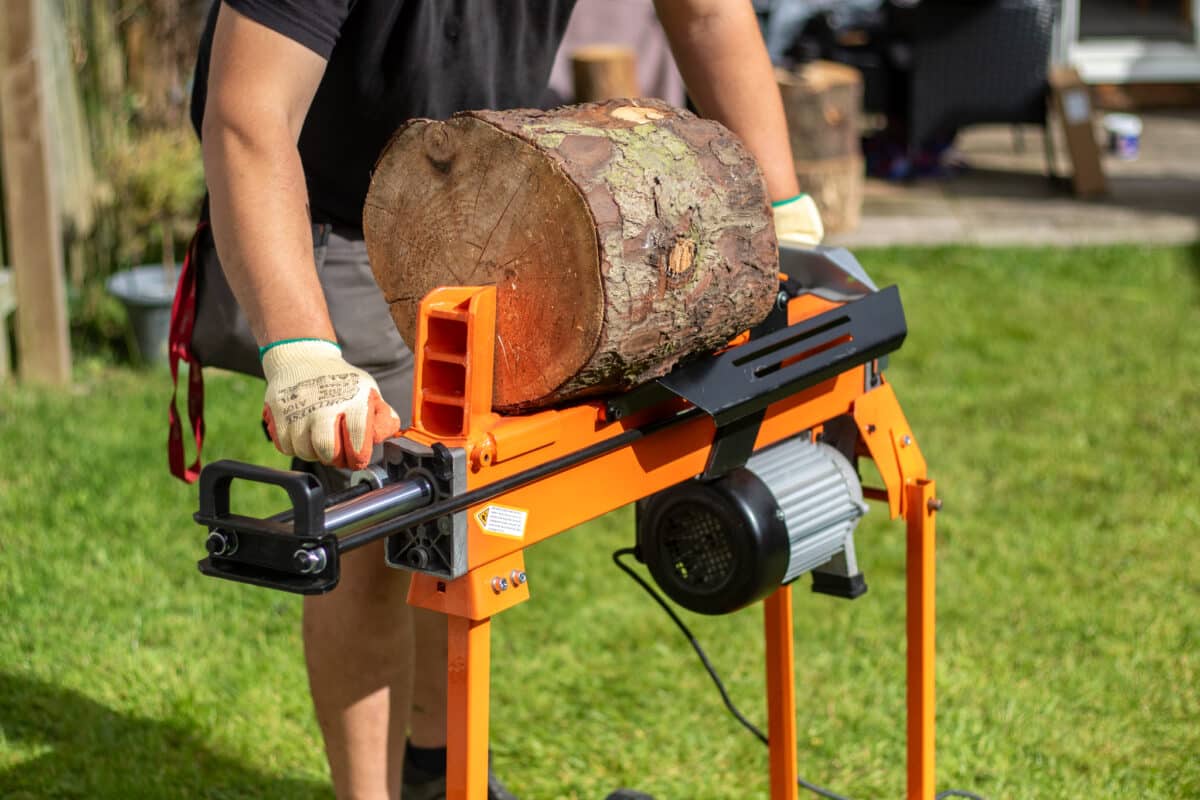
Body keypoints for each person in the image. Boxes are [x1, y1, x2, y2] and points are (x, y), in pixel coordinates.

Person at [190, 1, 822, 798]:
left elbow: (704, 12)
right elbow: (249, 115)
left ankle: (439, 769)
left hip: (488, 190)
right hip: (323, 203)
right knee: (375, 512)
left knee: (457, 501)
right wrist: (304, 352)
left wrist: (782, 208)